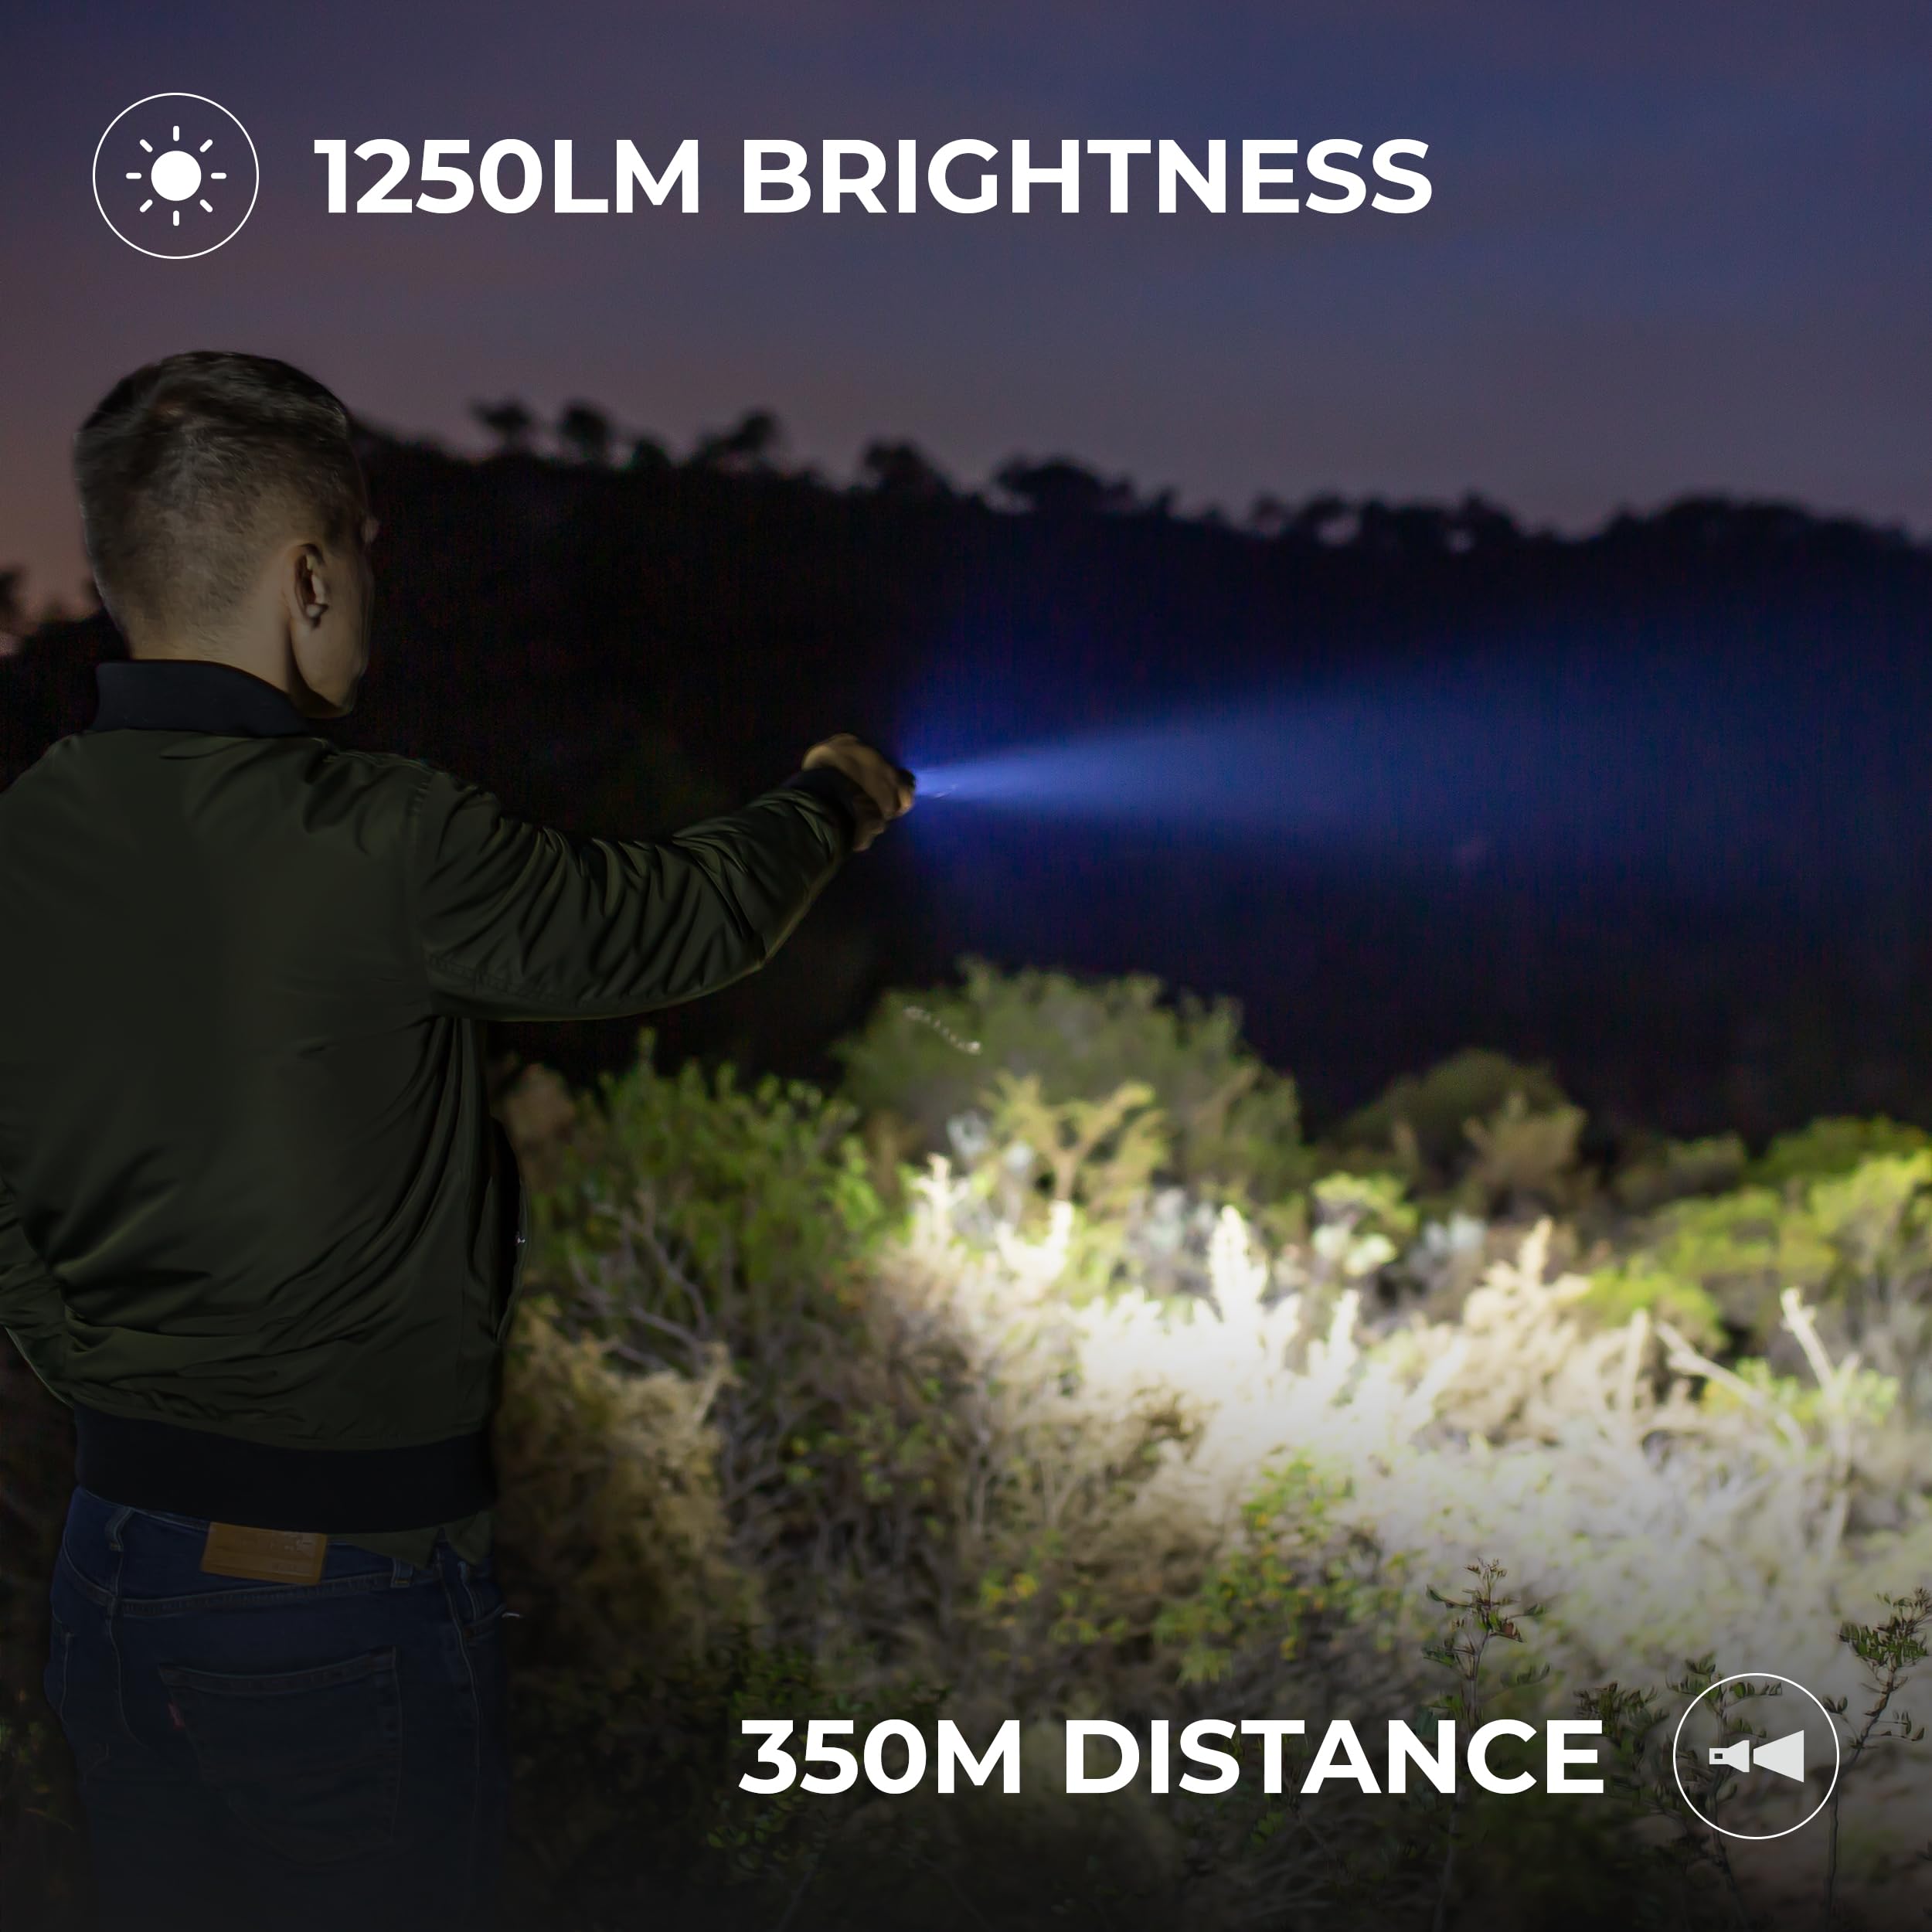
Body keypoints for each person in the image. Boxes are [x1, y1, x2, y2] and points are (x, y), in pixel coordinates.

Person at [0, 351, 913, 1931]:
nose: (369, 585)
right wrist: (827, 801)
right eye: (361, 551)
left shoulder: (30, 828)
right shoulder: (382, 835)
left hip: (116, 1555)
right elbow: (663, 926)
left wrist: (79, 1355)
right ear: (305, 574)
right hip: (332, 1578)